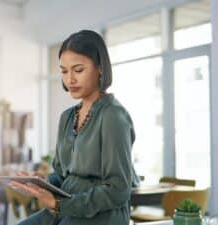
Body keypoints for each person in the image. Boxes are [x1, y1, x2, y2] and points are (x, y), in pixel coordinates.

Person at [11, 30, 136, 225]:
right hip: (66, 208)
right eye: (64, 71)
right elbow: (61, 176)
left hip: (102, 215)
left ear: (100, 68)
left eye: (78, 70)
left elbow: (119, 189)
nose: (70, 79)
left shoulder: (113, 116)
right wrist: (39, 183)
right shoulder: (67, 117)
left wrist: (60, 204)